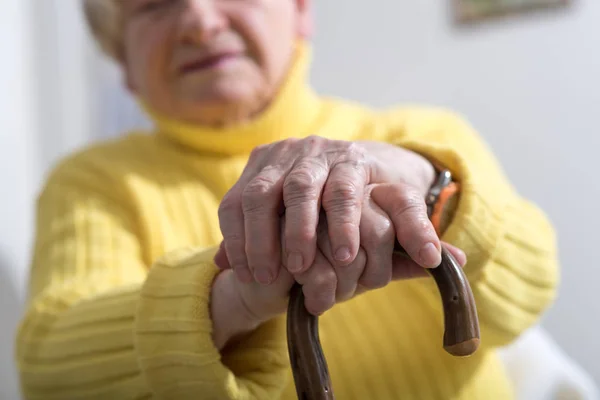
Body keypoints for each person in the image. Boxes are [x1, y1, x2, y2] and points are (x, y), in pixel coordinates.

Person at [15, 0, 559, 399]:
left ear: (300, 11)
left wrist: (426, 186)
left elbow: (531, 290)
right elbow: (50, 369)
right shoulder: (94, 182)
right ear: (123, 64)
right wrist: (235, 298)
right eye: (155, 6)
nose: (201, 21)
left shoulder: (423, 133)